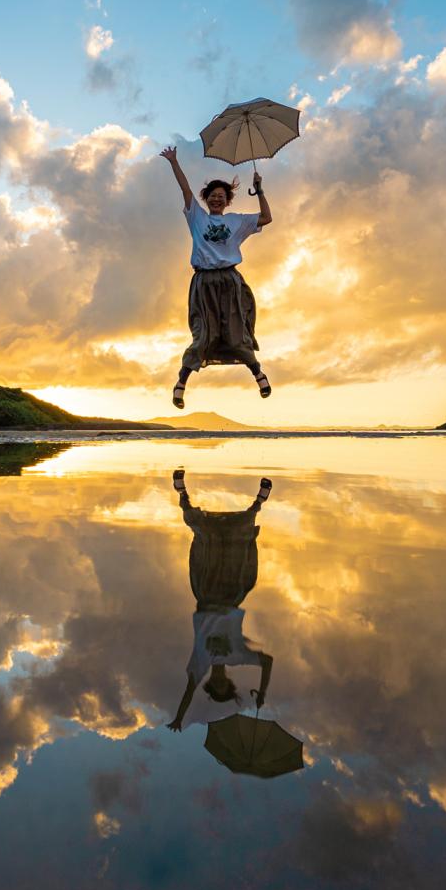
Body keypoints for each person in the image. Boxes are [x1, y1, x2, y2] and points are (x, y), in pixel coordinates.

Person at [159, 145, 273, 409]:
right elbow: (185, 190)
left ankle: (258, 374)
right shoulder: (196, 217)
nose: (217, 199)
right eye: (212, 195)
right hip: (204, 283)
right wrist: (174, 162)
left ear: (227, 200)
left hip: (230, 282)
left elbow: (267, 217)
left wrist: (260, 190)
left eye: (221, 196)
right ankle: (181, 384)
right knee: (203, 333)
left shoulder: (237, 221)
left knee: (236, 332)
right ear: (206, 198)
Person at [166, 470, 275, 731]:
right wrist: (262, 692)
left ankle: (182, 493)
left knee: (207, 538)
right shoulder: (237, 656)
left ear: (210, 684)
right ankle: (259, 502)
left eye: (215, 687)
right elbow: (268, 662)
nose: (219, 684)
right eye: (224, 686)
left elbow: (188, 691)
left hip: (205, 595)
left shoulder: (200, 665)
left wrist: (181, 718)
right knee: (237, 541)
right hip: (230, 596)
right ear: (228, 683)